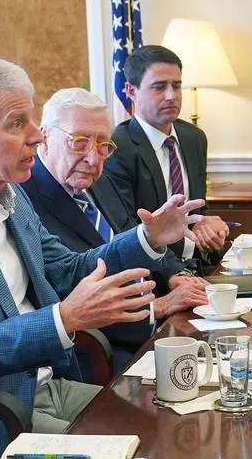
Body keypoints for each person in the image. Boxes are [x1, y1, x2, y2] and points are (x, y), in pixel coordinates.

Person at [0, 55, 203, 459]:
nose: (37, 136)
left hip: (48, 385)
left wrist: (148, 238)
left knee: (172, 426)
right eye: (17, 123)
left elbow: (68, 269)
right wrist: (64, 319)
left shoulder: (11, 194)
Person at [20, 87, 207, 367]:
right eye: (79, 142)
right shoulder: (24, 197)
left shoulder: (99, 181)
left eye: (102, 145)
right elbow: (63, 290)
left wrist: (175, 275)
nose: (93, 159)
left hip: (157, 322)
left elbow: (135, 233)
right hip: (105, 349)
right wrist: (157, 307)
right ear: (44, 137)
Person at [104, 45, 229, 273]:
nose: (171, 96)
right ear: (131, 91)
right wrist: (180, 261)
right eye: (159, 87)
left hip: (200, 265)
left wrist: (208, 226)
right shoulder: (117, 147)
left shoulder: (194, 137)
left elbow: (197, 209)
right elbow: (127, 230)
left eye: (177, 86)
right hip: (154, 274)